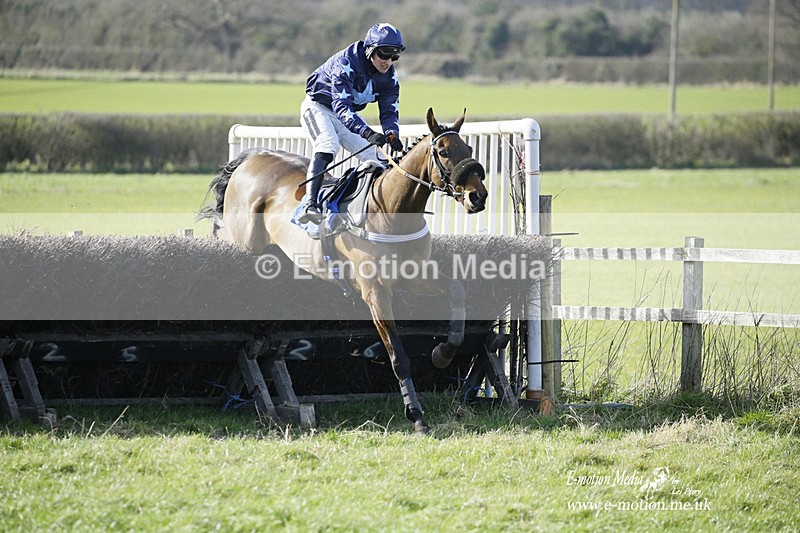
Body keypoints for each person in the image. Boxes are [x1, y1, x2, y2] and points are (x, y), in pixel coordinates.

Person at [298, 22, 406, 224]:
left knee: (376, 159)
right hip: (318, 108)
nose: (388, 62)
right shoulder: (347, 62)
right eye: (384, 54)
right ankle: (310, 204)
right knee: (328, 145)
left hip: (345, 117)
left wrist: (392, 134)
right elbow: (341, 107)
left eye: (394, 56)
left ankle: (368, 213)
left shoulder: (389, 78)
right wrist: (367, 133)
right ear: (370, 50)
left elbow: (389, 111)